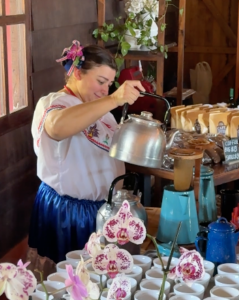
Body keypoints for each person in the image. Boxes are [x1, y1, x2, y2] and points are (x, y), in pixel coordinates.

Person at [27, 40, 145, 275]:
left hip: (100, 209)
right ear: (77, 73)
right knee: (72, 280)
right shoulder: (54, 103)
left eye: (110, 84)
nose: (105, 90)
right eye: (101, 82)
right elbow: (57, 127)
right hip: (69, 212)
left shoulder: (97, 108)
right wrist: (113, 99)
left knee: (99, 278)